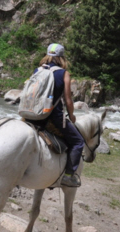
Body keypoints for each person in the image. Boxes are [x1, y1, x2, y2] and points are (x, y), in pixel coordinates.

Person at [27, 43, 84, 187]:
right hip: (52, 117)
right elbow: (68, 100)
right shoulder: (63, 73)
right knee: (78, 141)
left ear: (47, 55)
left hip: (32, 115)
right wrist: (72, 116)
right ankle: (68, 176)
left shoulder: (37, 70)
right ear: (61, 57)